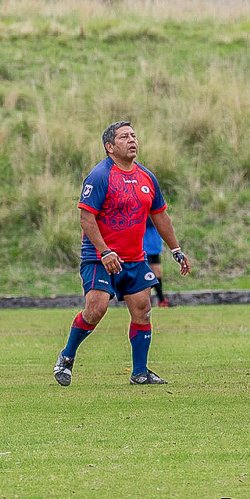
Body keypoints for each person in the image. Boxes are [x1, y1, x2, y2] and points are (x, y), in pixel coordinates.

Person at [55, 122, 192, 388]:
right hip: (99, 258)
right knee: (96, 309)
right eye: (124, 137)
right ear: (110, 146)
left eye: (133, 135)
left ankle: (139, 373)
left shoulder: (147, 177)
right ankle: (67, 357)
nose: (132, 140)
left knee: (143, 310)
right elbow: (86, 218)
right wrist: (105, 251)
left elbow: (160, 215)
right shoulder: (100, 175)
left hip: (134, 258)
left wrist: (176, 249)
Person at [143, 221, 169, 307]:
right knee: (146, 275)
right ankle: (145, 301)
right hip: (145, 247)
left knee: (158, 274)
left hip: (155, 246)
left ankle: (161, 300)